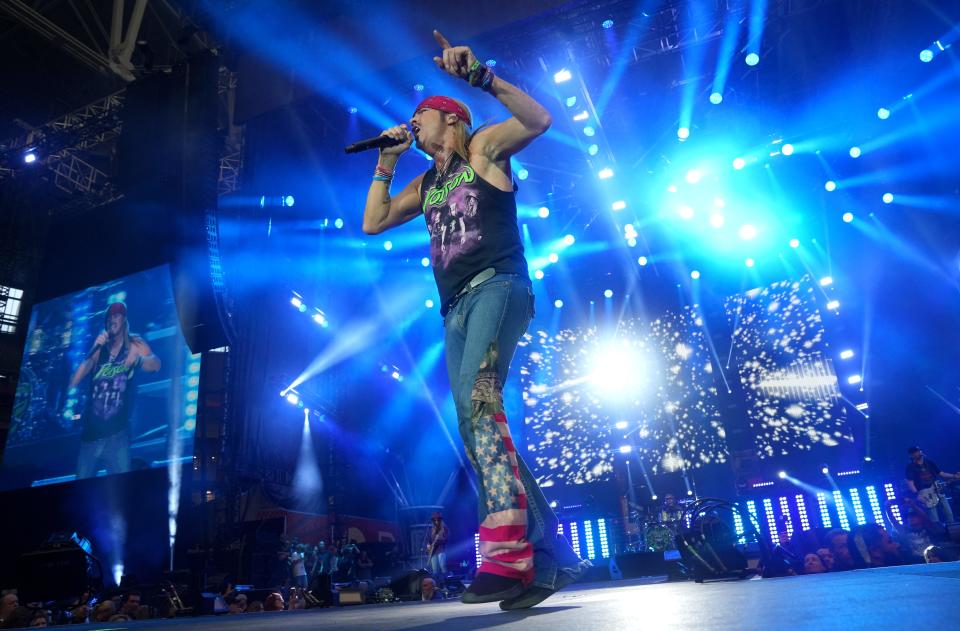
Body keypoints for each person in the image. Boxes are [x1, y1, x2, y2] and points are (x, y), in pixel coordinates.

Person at [361, 29, 586, 610]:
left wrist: (482, 78)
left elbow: (538, 120)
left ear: (450, 118)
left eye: (421, 116)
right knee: (474, 417)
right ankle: (548, 560)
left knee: (479, 405)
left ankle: (507, 557)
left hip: (498, 289)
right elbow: (374, 221)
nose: (413, 123)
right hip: (456, 307)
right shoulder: (428, 181)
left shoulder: (482, 147)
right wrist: (386, 161)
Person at [68, 301, 160, 478]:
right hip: (90, 438)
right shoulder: (98, 350)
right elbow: (74, 381)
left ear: (124, 320)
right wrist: (93, 348)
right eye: (110, 317)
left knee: (120, 493)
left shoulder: (135, 344)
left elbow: (155, 364)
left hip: (117, 437)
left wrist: (139, 360)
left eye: (117, 316)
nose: (113, 319)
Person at [904, 446, 958, 523]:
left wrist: (954, 476)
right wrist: (917, 494)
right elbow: (910, 483)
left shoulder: (929, 463)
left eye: (918, 451)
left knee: (949, 514)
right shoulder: (910, 467)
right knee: (935, 519)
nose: (917, 453)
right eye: (914, 452)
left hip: (938, 490)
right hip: (925, 495)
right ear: (911, 455)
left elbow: (941, 473)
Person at [425, 511, 449, 588]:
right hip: (433, 552)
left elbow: (446, 540)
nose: (436, 521)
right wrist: (428, 545)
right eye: (434, 520)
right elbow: (429, 539)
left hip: (441, 550)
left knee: (443, 567)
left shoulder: (444, 529)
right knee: (435, 571)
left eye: (437, 520)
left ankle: (445, 585)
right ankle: (437, 586)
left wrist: (439, 539)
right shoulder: (431, 529)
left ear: (440, 520)